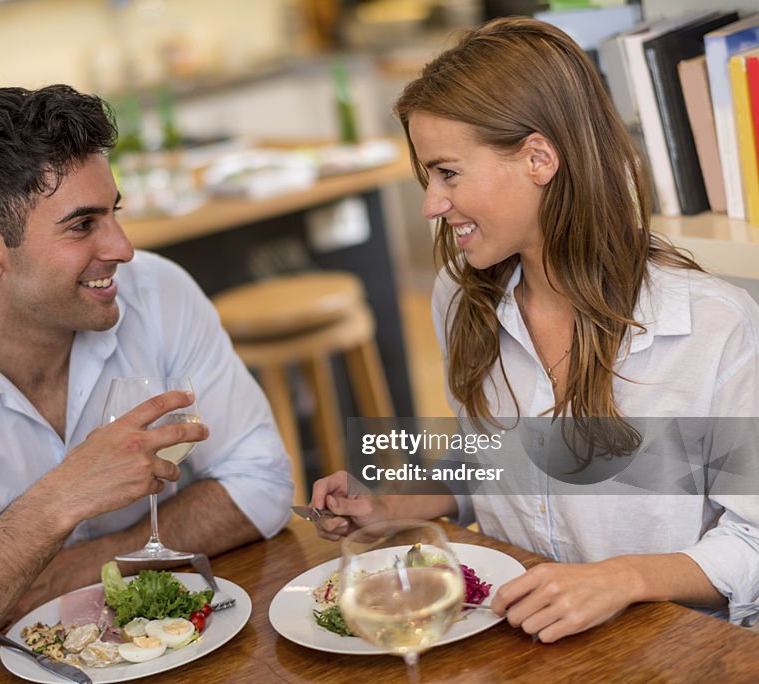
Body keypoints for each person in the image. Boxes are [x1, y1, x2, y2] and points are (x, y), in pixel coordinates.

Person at [310, 17, 759, 642]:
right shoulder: (460, 298)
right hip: (511, 639)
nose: (431, 205)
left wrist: (623, 578)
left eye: (448, 173)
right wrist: (392, 505)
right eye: (428, 177)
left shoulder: (715, 327)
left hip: (667, 650)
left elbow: (754, 545)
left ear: (538, 158)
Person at [0, 85, 293, 674]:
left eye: (114, 212)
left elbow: (262, 485)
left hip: (178, 648)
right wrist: (62, 497)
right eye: (82, 226)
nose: (122, 248)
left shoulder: (160, 294)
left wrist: (57, 575)